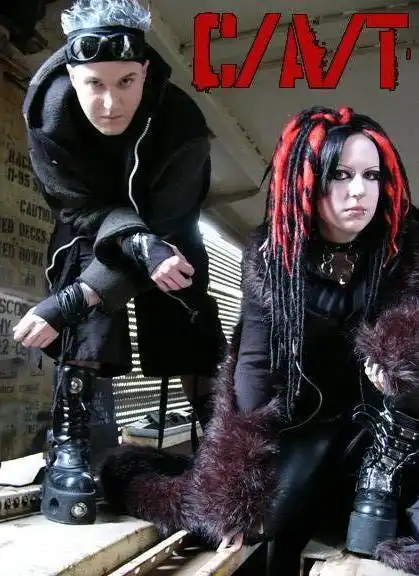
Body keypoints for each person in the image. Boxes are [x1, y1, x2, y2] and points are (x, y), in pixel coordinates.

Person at [99, 106, 419, 575]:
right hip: (305, 418)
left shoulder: (406, 245)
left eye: (372, 175)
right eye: (340, 174)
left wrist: (400, 362)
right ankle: (132, 474)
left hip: (391, 423)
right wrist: (237, 484)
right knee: (251, 521)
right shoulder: (274, 256)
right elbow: (253, 366)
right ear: (306, 181)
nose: (359, 191)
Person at [13, 0, 225, 525]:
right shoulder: (48, 116)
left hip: (168, 224)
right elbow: (77, 208)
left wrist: (69, 301)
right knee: (85, 289)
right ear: (71, 75)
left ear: (146, 71)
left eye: (126, 81)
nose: (110, 103)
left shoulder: (183, 123)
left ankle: (220, 443)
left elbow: (168, 224)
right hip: (90, 225)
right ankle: (69, 446)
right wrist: (81, 295)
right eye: (95, 84)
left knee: (183, 297)